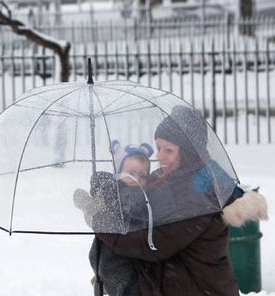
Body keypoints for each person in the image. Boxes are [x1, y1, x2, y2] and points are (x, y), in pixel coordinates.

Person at [96, 105, 268, 296]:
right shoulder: (168, 178)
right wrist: (110, 190)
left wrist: (103, 224)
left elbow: (152, 245)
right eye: (159, 147)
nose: (159, 156)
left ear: (188, 152)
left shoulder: (198, 192)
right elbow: (138, 201)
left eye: (168, 150)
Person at [74, 141, 153, 296]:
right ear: (119, 172)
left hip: (126, 261)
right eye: (131, 173)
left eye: (142, 175)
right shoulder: (113, 195)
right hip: (109, 255)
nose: (136, 179)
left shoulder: (145, 196)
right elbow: (96, 217)